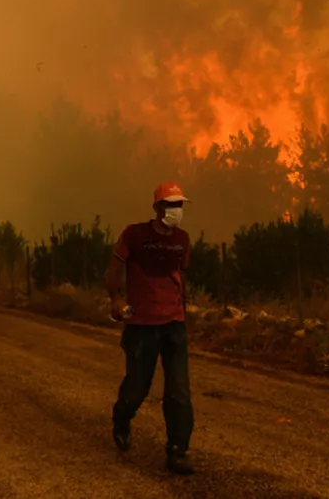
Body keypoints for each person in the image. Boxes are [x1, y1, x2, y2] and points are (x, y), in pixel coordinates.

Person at [106, 182, 195, 475]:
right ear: (157, 207)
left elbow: (180, 275)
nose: (176, 211)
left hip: (174, 324)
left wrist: (184, 307)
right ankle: (122, 416)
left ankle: (178, 450)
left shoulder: (182, 240)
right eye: (170, 205)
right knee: (137, 387)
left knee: (179, 389)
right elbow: (114, 269)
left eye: (179, 205)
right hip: (142, 325)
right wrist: (116, 299)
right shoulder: (135, 235)